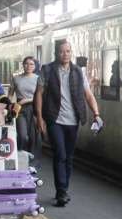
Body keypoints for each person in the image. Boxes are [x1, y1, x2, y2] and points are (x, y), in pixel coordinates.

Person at [35, 41, 99, 207]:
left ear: (71, 53)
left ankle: (64, 188)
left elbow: (88, 95)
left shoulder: (78, 71)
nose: (65, 54)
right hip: (54, 119)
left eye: (68, 51)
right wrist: (40, 118)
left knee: (69, 157)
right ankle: (61, 191)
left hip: (73, 120)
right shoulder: (47, 70)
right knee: (60, 154)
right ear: (56, 53)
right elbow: (39, 94)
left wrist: (96, 114)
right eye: (62, 52)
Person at [10, 56, 41, 166]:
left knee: (34, 137)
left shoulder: (38, 79)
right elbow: (10, 94)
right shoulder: (16, 78)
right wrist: (9, 106)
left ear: (35, 66)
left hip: (35, 108)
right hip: (20, 109)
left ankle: (32, 163)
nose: (29, 66)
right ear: (23, 65)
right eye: (26, 63)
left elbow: (42, 96)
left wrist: (26, 100)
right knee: (22, 135)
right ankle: (20, 158)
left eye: (32, 64)